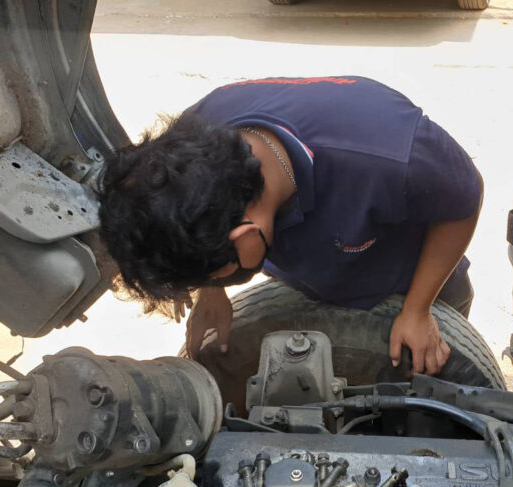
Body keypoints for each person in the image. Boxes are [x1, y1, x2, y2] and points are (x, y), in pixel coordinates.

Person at [98, 76, 483, 376]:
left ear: (246, 233)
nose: (212, 281)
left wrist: (417, 310)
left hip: (414, 276)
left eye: (213, 275)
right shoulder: (191, 138)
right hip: (316, 270)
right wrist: (211, 295)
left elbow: (464, 199)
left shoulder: (386, 154)